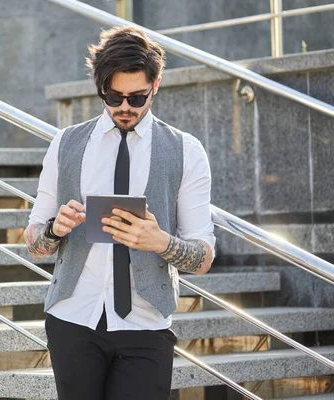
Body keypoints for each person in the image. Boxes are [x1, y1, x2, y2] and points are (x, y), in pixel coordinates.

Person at [24, 26, 215, 400]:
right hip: (73, 317)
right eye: (113, 96)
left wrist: (161, 242)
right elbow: (33, 244)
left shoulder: (185, 151)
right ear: (99, 87)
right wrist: (54, 230)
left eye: (137, 97)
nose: (124, 107)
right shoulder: (66, 144)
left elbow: (204, 257)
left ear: (156, 85)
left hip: (146, 324)